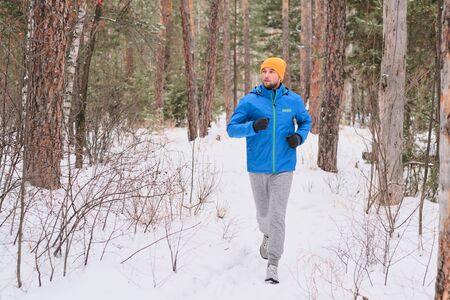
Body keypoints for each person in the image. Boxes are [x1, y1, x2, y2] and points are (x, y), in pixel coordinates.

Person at [226, 57, 312, 284]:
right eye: (263, 71)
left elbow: (305, 122)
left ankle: (273, 263)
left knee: (277, 215)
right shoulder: (250, 101)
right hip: (258, 166)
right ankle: (266, 233)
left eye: (271, 71)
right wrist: (252, 127)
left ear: (280, 75)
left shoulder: (292, 100)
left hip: (284, 167)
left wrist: (299, 137)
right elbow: (231, 130)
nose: (266, 75)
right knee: (264, 214)